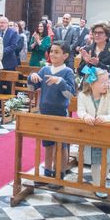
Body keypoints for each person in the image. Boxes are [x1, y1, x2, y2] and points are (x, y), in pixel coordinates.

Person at [28, 42, 76, 180]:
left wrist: (60, 82)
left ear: (65, 55)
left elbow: (70, 95)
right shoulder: (44, 70)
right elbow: (32, 89)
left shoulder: (68, 72)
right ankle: (48, 171)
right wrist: (31, 78)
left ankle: (60, 172)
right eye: (52, 51)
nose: (53, 54)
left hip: (60, 114)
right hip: (45, 113)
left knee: (61, 145)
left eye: (57, 52)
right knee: (48, 144)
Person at [77, 67, 110, 198]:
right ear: (92, 83)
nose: (107, 84)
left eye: (107, 81)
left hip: (107, 133)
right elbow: (80, 111)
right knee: (95, 159)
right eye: (103, 82)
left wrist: (104, 118)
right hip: (92, 133)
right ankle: (97, 184)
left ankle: (103, 182)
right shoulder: (83, 96)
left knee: (107, 159)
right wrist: (85, 117)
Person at [78, 22, 110, 93]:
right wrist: (86, 63)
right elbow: (81, 73)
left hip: (105, 88)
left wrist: (98, 64)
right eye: (95, 32)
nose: (97, 35)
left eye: (100, 33)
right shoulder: (87, 49)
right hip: (88, 87)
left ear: (107, 35)